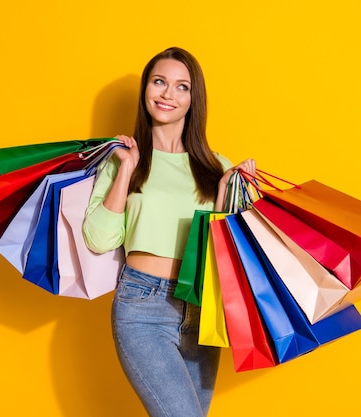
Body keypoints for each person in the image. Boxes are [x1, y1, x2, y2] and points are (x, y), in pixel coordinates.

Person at [82, 46, 255, 417]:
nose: (167, 94)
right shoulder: (122, 159)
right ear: (146, 89)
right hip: (142, 307)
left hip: (200, 307)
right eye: (159, 82)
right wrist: (126, 171)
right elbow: (99, 238)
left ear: (194, 99)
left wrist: (229, 197)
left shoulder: (215, 166)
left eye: (182, 87)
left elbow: (225, 250)